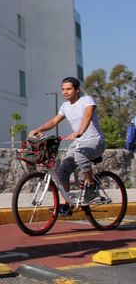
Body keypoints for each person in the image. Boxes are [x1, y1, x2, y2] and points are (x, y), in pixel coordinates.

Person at [28, 76, 105, 215]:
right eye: (63, 89)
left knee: (79, 155)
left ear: (77, 89)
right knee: (62, 171)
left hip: (95, 141)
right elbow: (53, 122)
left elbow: (88, 114)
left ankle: (92, 187)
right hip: (79, 142)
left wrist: (80, 131)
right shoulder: (65, 106)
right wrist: (39, 129)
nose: (65, 92)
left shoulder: (86, 100)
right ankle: (66, 205)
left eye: (69, 89)